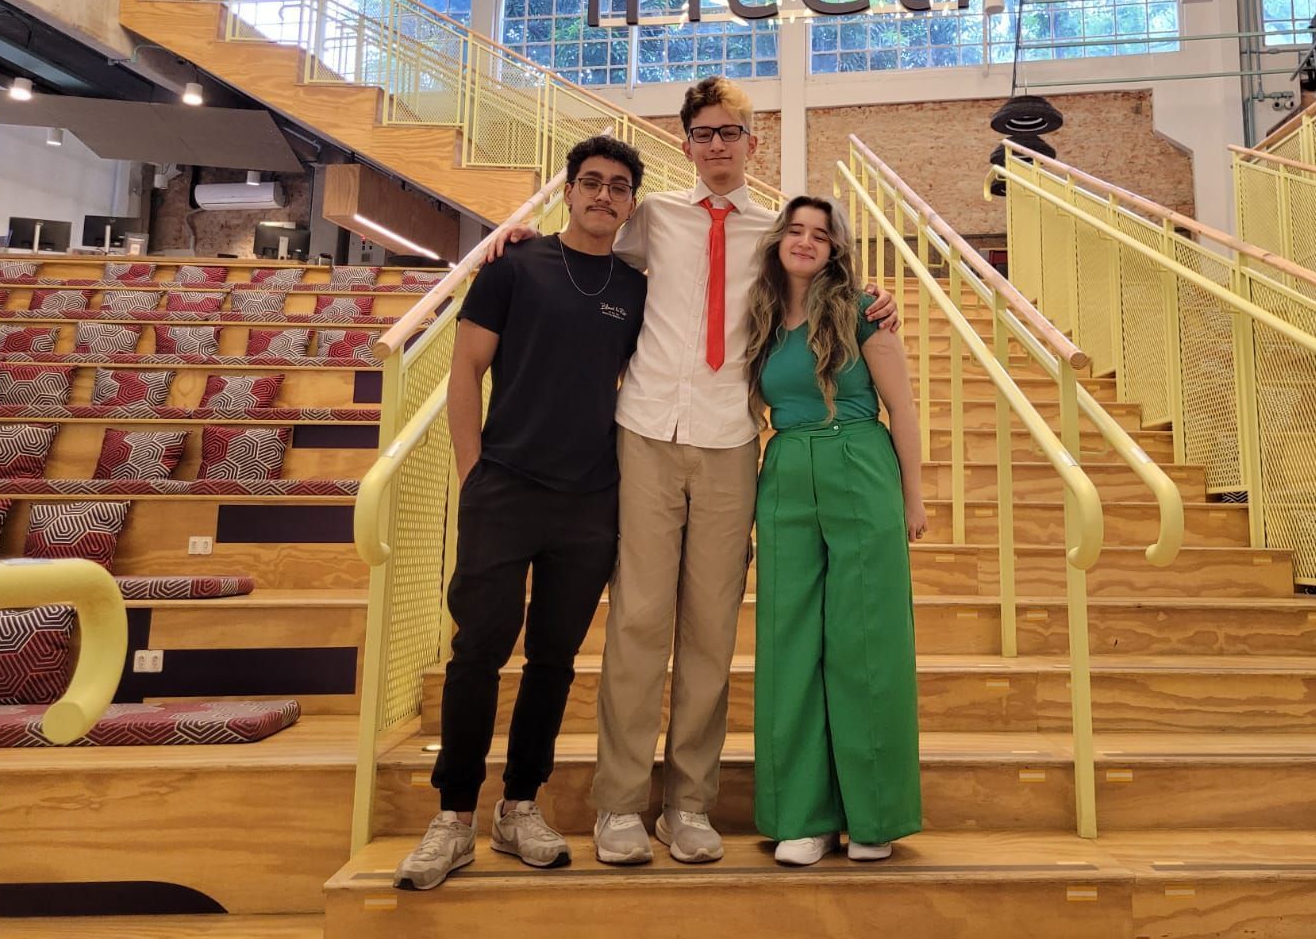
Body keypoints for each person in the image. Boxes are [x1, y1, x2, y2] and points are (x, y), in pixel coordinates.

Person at [489, 75, 896, 866]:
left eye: (730, 133)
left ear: (752, 143)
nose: (717, 145)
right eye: (704, 133)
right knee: (638, 622)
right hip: (644, 432)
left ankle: (688, 804)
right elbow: (584, 244)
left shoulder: (775, 231)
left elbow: (828, 286)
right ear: (685, 144)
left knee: (710, 630)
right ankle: (618, 805)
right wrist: (521, 234)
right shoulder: (654, 218)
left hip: (730, 439)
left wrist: (877, 302)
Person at [394, 135, 648, 891]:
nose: (603, 196)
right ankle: (452, 817)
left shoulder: (635, 289)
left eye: (619, 187)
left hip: (590, 500)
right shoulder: (514, 265)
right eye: (592, 182)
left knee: (553, 661)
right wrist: (474, 474)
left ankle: (519, 807)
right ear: (568, 191)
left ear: (630, 204)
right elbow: (466, 369)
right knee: (477, 652)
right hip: (504, 488)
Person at [745, 195, 925, 866]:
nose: (805, 241)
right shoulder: (762, 319)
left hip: (859, 461)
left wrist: (913, 499)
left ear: (834, 250)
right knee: (787, 642)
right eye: (794, 230)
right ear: (778, 241)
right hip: (787, 468)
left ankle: (873, 814)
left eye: (820, 234)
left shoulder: (863, 310)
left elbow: (901, 409)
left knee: (866, 638)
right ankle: (802, 817)